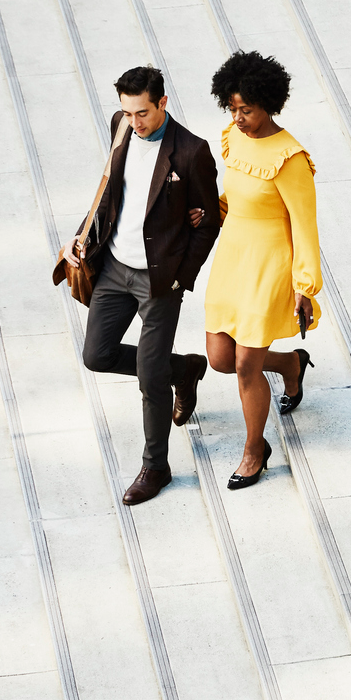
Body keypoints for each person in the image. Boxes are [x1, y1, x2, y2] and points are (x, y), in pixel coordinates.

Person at [65, 64, 221, 505]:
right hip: (114, 266)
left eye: (143, 114)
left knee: (150, 379)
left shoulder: (191, 152)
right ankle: (184, 368)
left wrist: (179, 279)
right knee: (97, 355)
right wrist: (83, 233)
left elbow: (207, 223)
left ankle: (156, 467)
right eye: (128, 113)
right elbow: (109, 190)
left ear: (163, 104)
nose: (135, 122)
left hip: (159, 279)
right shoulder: (120, 128)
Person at [203, 48, 322, 491]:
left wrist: (304, 286)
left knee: (246, 367)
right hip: (233, 256)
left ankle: (256, 450)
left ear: (268, 104)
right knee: (220, 358)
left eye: (246, 110)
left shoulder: (290, 159)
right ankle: (292, 364)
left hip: (271, 264)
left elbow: (306, 227)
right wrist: (207, 214)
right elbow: (232, 196)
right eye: (232, 108)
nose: (237, 117)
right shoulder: (233, 139)